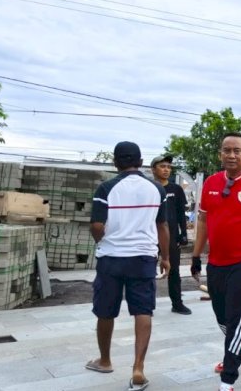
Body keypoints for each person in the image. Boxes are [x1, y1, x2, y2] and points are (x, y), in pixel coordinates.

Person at [190, 132, 241, 391]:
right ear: (220, 154)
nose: (231, 155)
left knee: (237, 320)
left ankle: (228, 377)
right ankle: (240, 348)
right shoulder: (211, 183)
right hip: (216, 263)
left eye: (237, 150)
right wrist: (195, 256)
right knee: (223, 318)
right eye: (226, 150)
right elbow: (203, 221)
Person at [85, 141, 170, 391]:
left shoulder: (106, 188)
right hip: (143, 258)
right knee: (143, 310)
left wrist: (105, 241)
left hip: (111, 258)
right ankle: (138, 368)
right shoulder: (156, 189)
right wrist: (166, 258)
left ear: (115, 163)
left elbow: (96, 226)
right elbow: (162, 226)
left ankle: (105, 360)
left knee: (105, 310)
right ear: (142, 162)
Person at [150, 155, 191, 315]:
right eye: (162, 166)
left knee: (174, 271)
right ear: (154, 169)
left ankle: (177, 303)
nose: (166, 169)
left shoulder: (176, 189)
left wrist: (184, 234)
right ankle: (147, 306)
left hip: (172, 236)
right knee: (148, 271)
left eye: (168, 167)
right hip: (151, 236)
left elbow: (181, 213)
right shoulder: (149, 188)